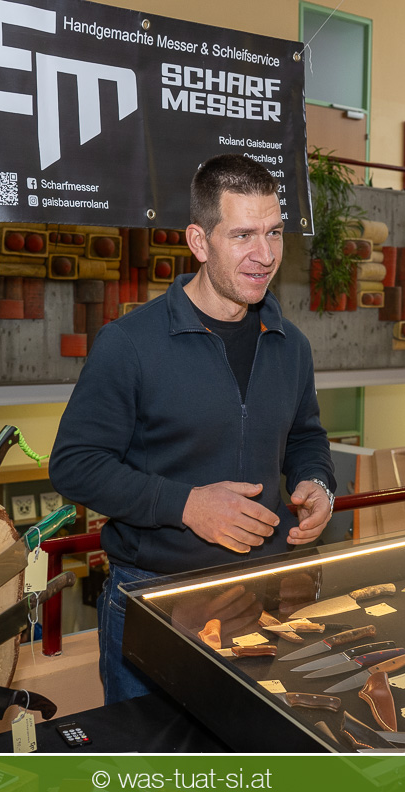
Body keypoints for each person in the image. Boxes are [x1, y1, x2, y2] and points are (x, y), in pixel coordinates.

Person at [50, 154, 337, 705]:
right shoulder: (129, 344)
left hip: (260, 597)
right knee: (150, 759)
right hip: (155, 600)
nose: (265, 255)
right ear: (199, 242)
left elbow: (305, 436)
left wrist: (317, 482)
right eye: (243, 235)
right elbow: (75, 465)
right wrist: (186, 505)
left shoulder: (292, 345)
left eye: (275, 232)